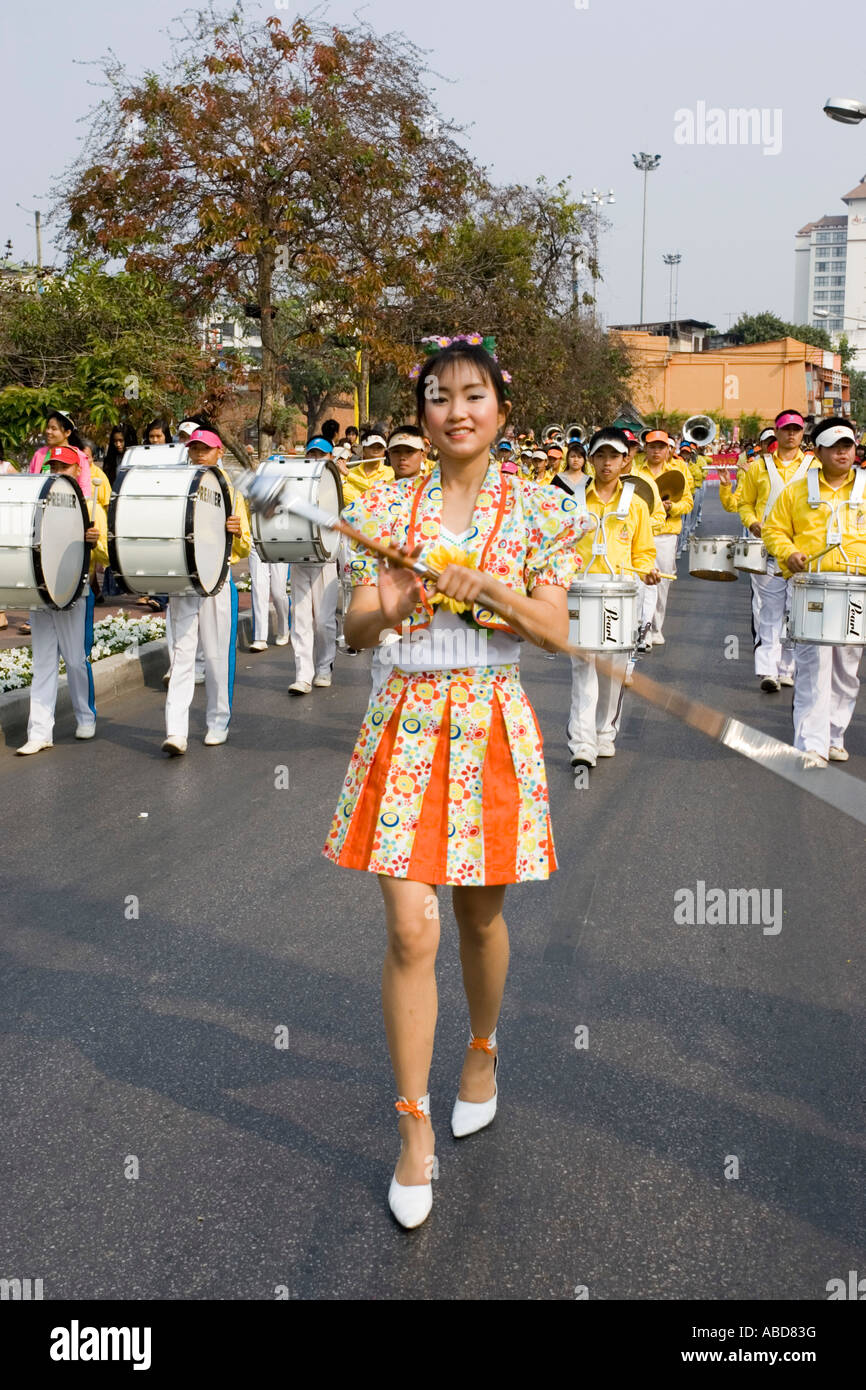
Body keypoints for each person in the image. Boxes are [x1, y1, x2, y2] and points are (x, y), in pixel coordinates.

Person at [323, 336, 580, 1229]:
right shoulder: (384, 506)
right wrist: (387, 602)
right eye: (439, 397)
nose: (457, 410)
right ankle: (413, 1130)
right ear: (422, 415)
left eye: (474, 394)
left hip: (491, 728)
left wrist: (497, 593)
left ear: (502, 408)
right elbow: (354, 629)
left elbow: (554, 631)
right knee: (409, 927)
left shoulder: (543, 511)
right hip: (403, 721)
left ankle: (480, 1050)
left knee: (480, 917)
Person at [762, 418, 864, 765]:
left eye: (847, 446)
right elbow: (774, 530)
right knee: (812, 666)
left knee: (846, 671)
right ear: (817, 451)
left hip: (856, 589)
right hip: (810, 587)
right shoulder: (796, 491)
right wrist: (788, 552)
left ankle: (835, 735)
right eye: (834, 446)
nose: (842, 453)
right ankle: (811, 743)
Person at [559, 427, 660, 774]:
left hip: (620, 588)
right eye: (599, 456)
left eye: (613, 456)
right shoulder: (571, 500)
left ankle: (605, 732)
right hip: (583, 589)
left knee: (612, 668)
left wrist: (646, 571)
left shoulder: (636, 502)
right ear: (590, 459)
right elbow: (560, 545)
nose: (606, 463)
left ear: (625, 459)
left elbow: (643, 551)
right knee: (583, 665)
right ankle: (582, 743)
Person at [161, 428, 251, 755]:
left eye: (205, 449)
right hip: (184, 581)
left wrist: (237, 532)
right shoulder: (177, 482)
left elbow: (244, 545)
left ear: (218, 452)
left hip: (217, 580)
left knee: (214, 657)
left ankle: (218, 721)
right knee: (182, 656)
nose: (199, 454)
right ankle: (176, 731)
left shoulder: (230, 488)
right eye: (194, 448)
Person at [17, 445, 107, 754]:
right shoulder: (32, 505)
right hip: (41, 595)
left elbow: (107, 556)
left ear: (77, 471)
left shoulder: (92, 507)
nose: (57, 472)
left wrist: (95, 544)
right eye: (52, 466)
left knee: (75, 661)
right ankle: (40, 732)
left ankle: (86, 715)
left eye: (63, 467)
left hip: (73, 594)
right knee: (42, 664)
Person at [737, 409, 816, 693]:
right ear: (777, 432)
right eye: (786, 429)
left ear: (802, 433)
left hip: (802, 554)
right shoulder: (759, 466)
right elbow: (744, 502)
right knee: (769, 613)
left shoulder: (814, 466)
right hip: (767, 551)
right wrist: (753, 522)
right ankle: (768, 670)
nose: (792, 434)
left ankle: (787, 668)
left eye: (796, 429)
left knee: (795, 614)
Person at [287, 436, 341, 695]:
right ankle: (303, 674)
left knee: (323, 621)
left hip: (326, 559)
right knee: (300, 620)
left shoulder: (337, 483)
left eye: (321, 455)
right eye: (312, 454)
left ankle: (324, 666)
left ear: (330, 458)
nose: (316, 459)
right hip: (299, 556)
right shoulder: (296, 483)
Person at [632, 430, 693, 647]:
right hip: (642, 533)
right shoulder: (636, 472)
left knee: (662, 582)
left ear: (668, 449)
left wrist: (672, 507)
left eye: (661, 446)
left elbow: (688, 502)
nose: (656, 451)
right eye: (652, 446)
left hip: (667, 533)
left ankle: (656, 627)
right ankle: (642, 627)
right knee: (642, 580)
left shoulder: (679, 471)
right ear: (645, 449)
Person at [102, 423, 138, 487]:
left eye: (121, 441)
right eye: (115, 441)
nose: (118, 444)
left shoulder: (136, 459)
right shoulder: (110, 460)